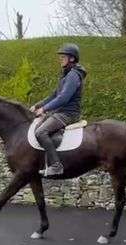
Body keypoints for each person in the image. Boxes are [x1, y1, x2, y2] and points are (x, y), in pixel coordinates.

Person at [30, 43, 87, 176]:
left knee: (41, 132)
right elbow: (54, 95)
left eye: (63, 56)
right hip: (60, 112)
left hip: (68, 114)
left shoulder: (73, 76)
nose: (60, 59)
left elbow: (63, 98)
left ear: (72, 59)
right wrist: (38, 105)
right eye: (60, 56)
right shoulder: (66, 75)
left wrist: (44, 108)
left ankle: (56, 166)